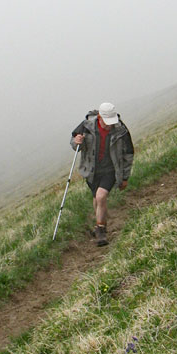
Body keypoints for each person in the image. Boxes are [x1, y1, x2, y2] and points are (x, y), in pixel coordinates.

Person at [70, 102, 134, 246]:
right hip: (91, 171)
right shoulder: (86, 126)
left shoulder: (121, 130)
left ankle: (101, 231)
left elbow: (129, 153)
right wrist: (76, 141)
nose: (109, 125)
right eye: (106, 122)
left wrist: (125, 177)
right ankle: (99, 225)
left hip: (110, 170)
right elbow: (74, 143)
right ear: (99, 117)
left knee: (101, 196)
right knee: (97, 199)